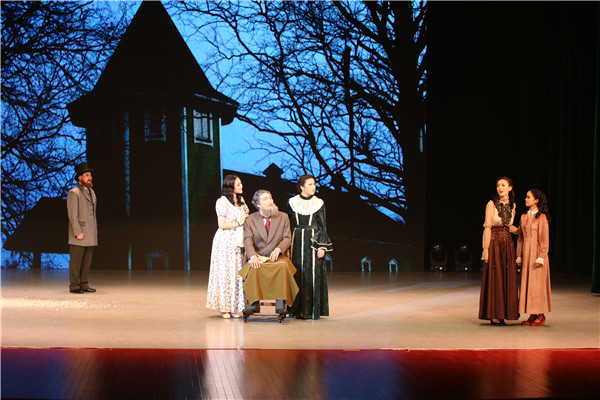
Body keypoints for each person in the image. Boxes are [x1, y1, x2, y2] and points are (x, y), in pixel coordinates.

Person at [241, 190, 298, 316]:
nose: (270, 201)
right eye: (265, 199)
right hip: (259, 255)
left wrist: (278, 249)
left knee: (282, 266)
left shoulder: (283, 217)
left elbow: (287, 238)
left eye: (270, 198)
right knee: (253, 266)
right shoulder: (250, 219)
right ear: (258, 204)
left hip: (277, 256)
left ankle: (280, 305)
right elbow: (247, 239)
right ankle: (253, 304)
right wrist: (253, 256)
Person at [287, 175, 333, 319]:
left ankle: (312, 311)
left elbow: (322, 226)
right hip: (297, 241)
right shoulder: (292, 202)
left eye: (314, 184)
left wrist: (322, 247)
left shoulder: (318, 203)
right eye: (310, 184)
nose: (314, 187)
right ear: (302, 187)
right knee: (297, 273)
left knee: (313, 274)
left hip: (313, 241)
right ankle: (296, 310)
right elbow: (288, 224)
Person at [206, 175, 249, 319]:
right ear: (231, 187)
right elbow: (222, 225)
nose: (241, 186)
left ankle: (233, 307)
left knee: (235, 274)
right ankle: (224, 308)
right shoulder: (222, 201)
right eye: (238, 184)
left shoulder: (242, 201)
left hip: (238, 240)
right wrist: (239, 223)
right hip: (225, 241)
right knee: (225, 273)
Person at [478, 176, 519, 325]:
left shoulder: (513, 205)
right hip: (494, 244)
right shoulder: (491, 204)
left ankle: (504, 313)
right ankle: (494, 314)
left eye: (503, 185)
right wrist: (486, 250)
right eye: (498, 185)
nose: (500, 188)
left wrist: (522, 230)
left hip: (507, 245)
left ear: (510, 188)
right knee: (496, 278)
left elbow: (509, 226)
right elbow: (488, 227)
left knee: (507, 278)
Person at [516, 189, 552, 326]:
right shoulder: (524, 216)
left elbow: (544, 238)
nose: (526, 199)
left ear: (536, 200)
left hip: (536, 254)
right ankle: (532, 313)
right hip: (527, 253)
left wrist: (541, 255)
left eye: (528, 197)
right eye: (526, 197)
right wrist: (519, 255)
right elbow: (520, 238)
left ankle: (540, 315)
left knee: (537, 284)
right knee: (528, 283)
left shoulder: (541, 217)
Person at [67, 162, 98, 294]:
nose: (89, 177)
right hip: (79, 233)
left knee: (86, 261)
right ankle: (75, 285)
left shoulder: (92, 192)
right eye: (86, 175)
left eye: (90, 175)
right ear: (80, 177)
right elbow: (72, 214)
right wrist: (77, 232)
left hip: (90, 232)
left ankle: (84, 284)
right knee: (76, 261)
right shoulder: (74, 193)